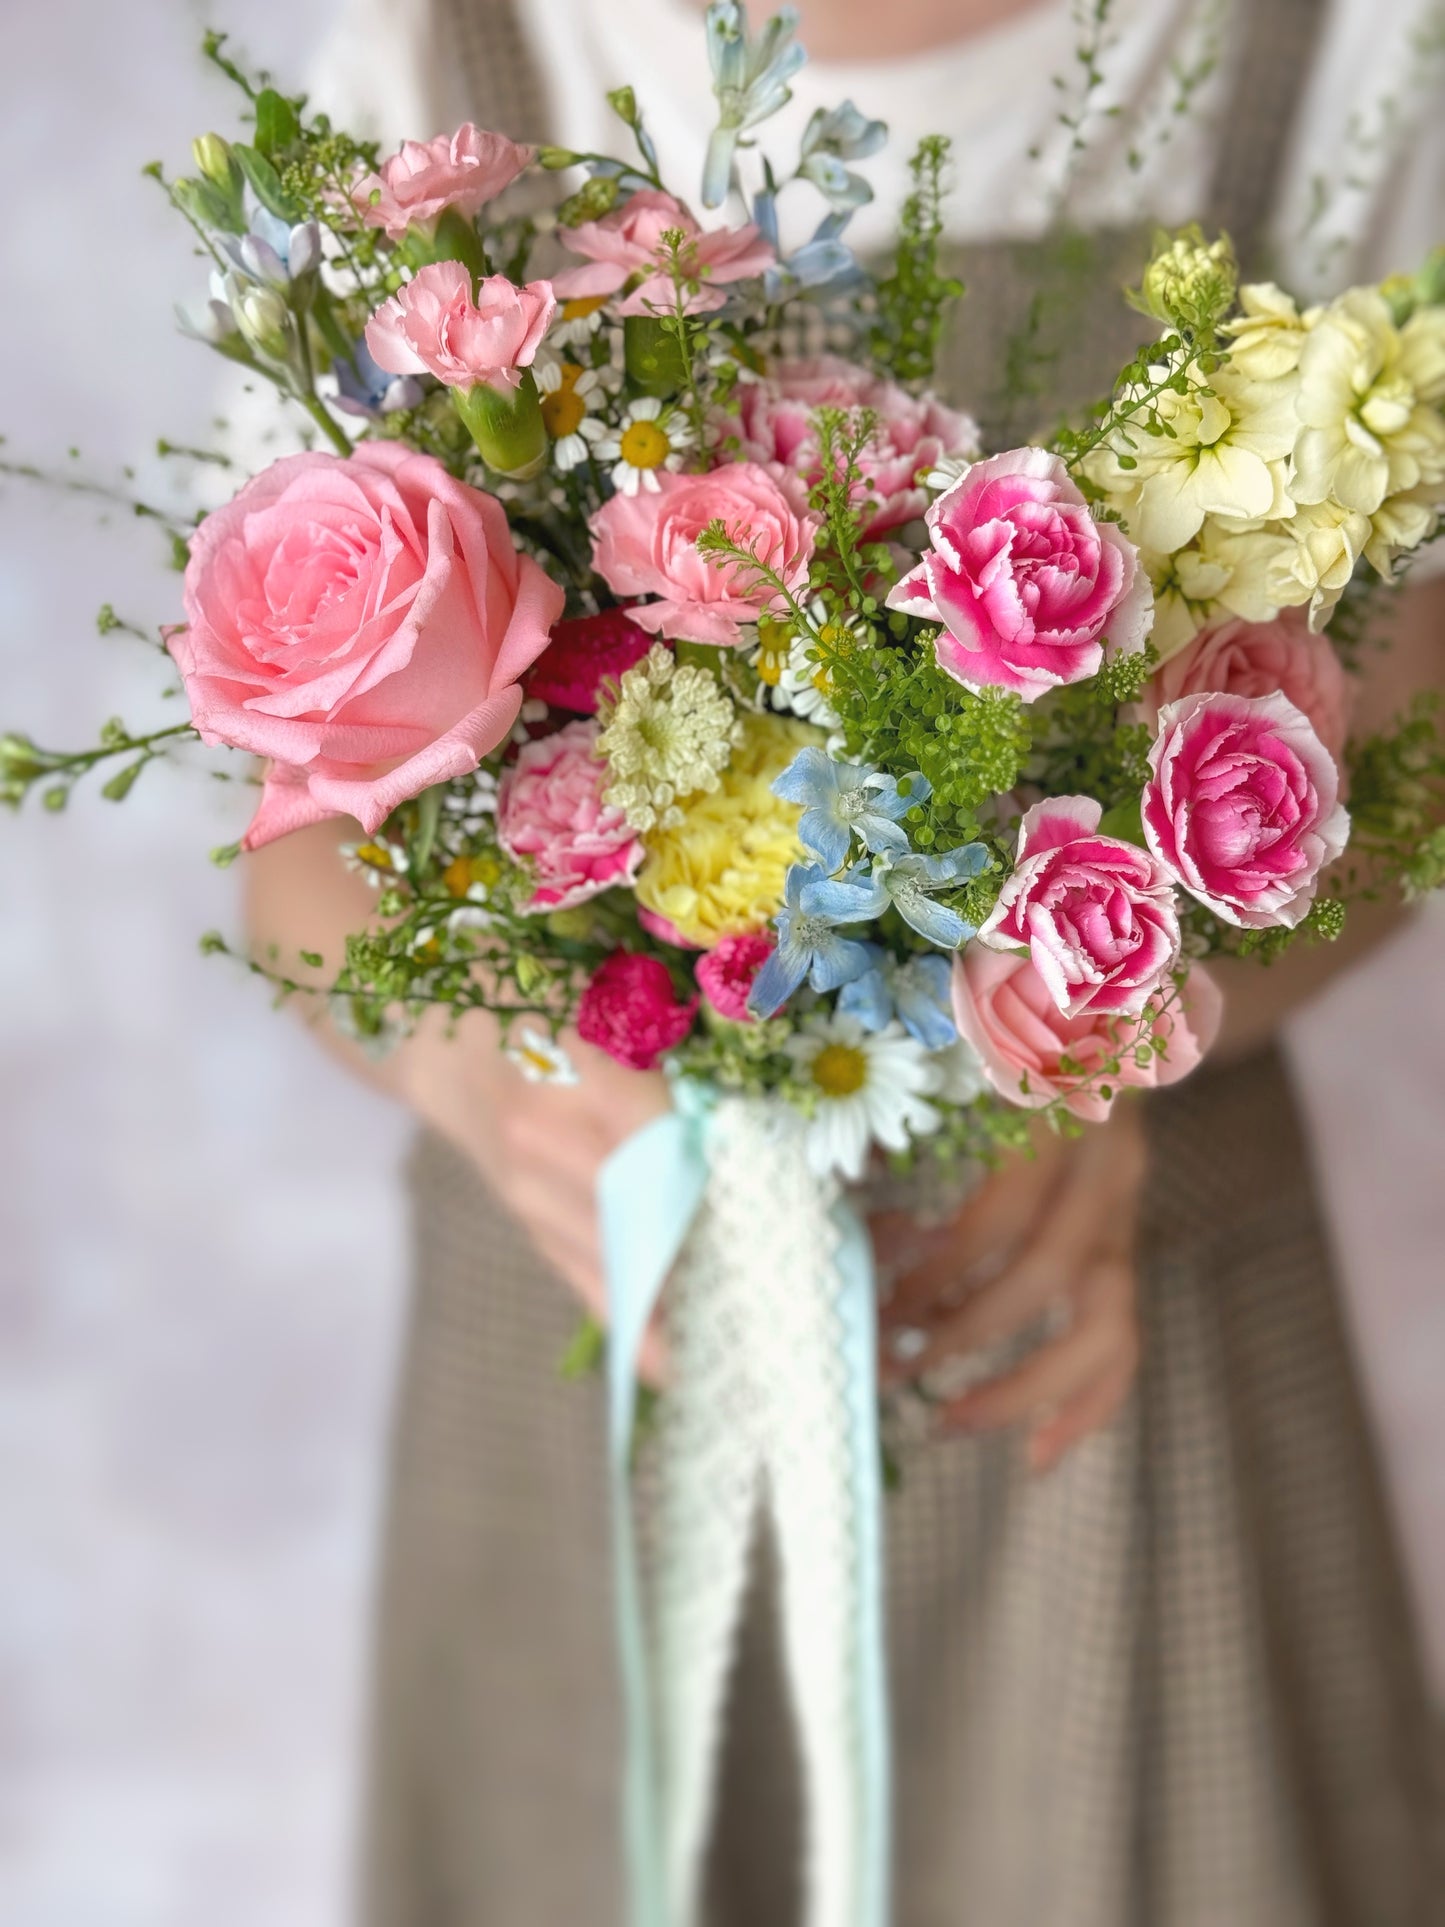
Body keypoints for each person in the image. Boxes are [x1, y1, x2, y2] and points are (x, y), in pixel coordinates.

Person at [245, 1, 1445, 1920]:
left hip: (1098, 1311)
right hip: (602, 1313)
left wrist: (1106, 1041)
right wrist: (486, 1073)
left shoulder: (1331, 47)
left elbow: (1389, 756)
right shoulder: (447, 57)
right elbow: (301, 845)